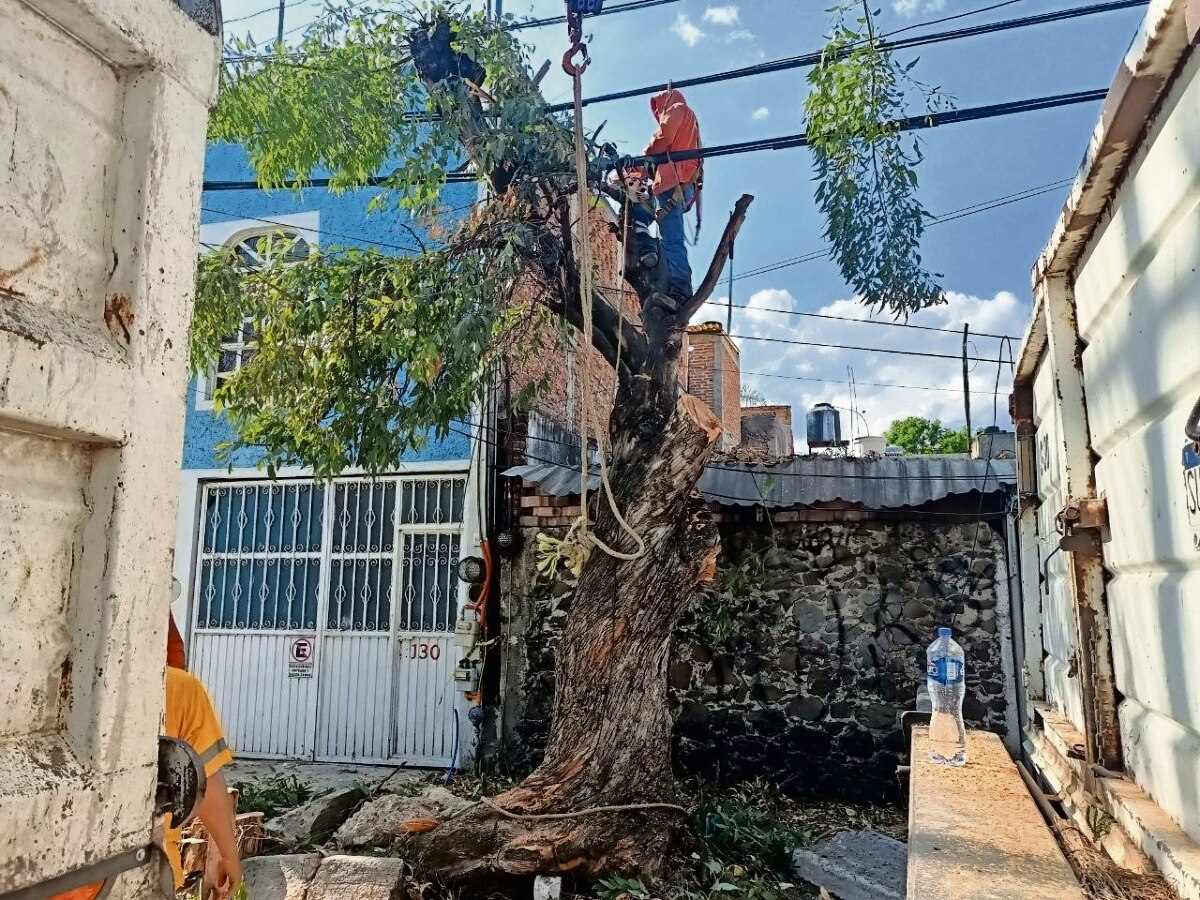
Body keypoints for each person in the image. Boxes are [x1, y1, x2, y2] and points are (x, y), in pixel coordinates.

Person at [632, 87, 703, 308]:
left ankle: (680, 288)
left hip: (674, 183)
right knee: (665, 234)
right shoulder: (691, 126)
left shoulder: (677, 109)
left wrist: (644, 156)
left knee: (672, 238)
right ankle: (651, 254)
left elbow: (663, 138)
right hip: (680, 184)